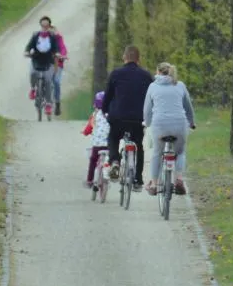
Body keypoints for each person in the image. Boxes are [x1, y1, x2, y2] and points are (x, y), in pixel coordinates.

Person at [102, 45, 154, 191]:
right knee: (138, 145)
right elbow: (151, 98)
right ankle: (138, 179)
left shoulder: (116, 74)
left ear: (124, 57)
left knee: (113, 138)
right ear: (139, 59)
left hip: (118, 118)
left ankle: (115, 162)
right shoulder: (146, 75)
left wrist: (105, 111)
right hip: (138, 119)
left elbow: (108, 97)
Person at [142, 62, 196, 196]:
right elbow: (188, 107)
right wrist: (191, 122)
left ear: (157, 72)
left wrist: (147, 123)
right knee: (180, 152)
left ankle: (154, 184)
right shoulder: (180, 85)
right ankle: (178, 179)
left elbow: (147, 110)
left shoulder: (152, 86)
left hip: (159, 125)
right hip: (179, 125)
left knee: (157, 152)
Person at [24, 16, 60, 113]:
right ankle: (33, 89)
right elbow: (29, 46)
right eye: (43, 25)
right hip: (36, 59)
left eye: (46, 25)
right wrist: (27, 52)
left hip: (48, 61)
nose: (44, 27)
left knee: (48, 81)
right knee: (32, 73)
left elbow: (56, 48)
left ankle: (48, 104)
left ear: (49, 26)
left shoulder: (52, 36)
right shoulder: (35, 35)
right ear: (40, 25)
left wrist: (57, 53)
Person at [81, 91, 110, 187]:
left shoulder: (95, 115)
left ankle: (89, 181)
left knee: (93, 160)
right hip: (109, 145)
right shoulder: (111, 115)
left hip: (97, 145)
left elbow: (89, 127)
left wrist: (85, 132)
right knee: (109, 159)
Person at [49, 25, 68, 116]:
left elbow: (63, 48)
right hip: (45, 64)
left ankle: (57, 103)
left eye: (53, 31)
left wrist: (62, 55)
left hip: (57, 64)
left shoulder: (59, 39)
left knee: (56, 81)